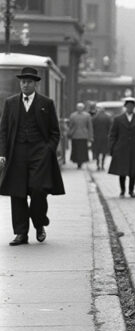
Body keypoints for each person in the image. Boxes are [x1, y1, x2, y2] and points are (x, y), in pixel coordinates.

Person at [0, 66, 65, 245]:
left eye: (29, 82)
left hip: (40, 154)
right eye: (23, 82)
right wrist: (2, 154)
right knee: (17, 193)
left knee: (38, 190)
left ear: (35, 84)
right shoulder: (11, 103)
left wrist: (48, 150)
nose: (25, 85)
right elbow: (3, 130)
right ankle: (21, 233)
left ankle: (39, 223)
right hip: (17, 154)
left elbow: (55, 132)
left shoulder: (46, 103)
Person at [108, 97, 135, 198]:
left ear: (134, 107)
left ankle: (131, 191)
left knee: (133, 171)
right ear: (125, 107)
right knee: (122, 171)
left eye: (131, 106)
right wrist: (112, 148)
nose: (130, 108)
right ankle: (122, 190)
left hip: (134, 149)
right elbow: (113, 134)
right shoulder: (118, 119)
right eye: (128, 106)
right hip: (121, 148)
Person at [67, 102, 93, 169]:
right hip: (76, 135)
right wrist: (69, 133)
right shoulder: (73, 115)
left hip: (83, 135)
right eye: (79, 107)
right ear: (76, 108)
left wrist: (90, 136)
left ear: (83, 108)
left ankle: (80, 162)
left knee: (82, 150)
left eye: (81, 107)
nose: (80, 109)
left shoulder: (87, 116)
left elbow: (90, 127)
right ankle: (78, 162)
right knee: (77, 150)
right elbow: (70, 126)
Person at [91, 105, 112, 171]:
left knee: (97, 151)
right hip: (105, 137)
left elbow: (92, 127)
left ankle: (98, 164)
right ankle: (102, 164)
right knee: (104, 151)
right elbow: (110, 127)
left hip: (96, 137)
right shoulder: (108, 117)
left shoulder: (94, 117)